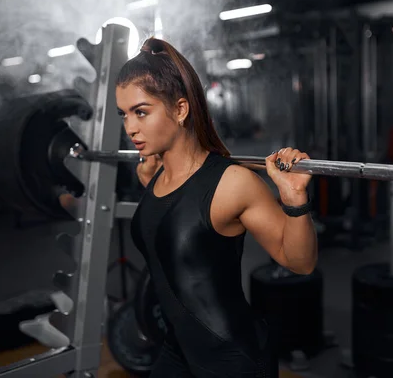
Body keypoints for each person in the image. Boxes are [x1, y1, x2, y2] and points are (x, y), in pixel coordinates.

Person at [115, 37, 318, 378]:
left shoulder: (232, 183)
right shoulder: (155, 174)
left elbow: (300, 263)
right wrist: (148, 184)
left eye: (141, 112)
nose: (130, 128)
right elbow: (172, 227)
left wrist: (295, 199)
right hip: (176, 351)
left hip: (232, 360)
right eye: (124, 115)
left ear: (180, 109)